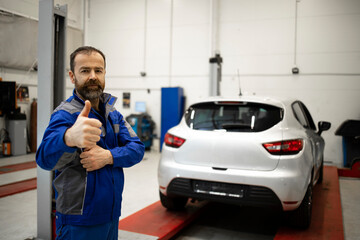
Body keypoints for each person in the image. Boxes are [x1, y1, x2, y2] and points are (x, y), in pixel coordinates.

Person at [36, 46, 145, 239]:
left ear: (104, 74)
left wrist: (109, 156)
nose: (93, 76)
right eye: (85, 71)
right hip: (79, 221)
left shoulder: (113, 114)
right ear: (72, 76)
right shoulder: (65, 114)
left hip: (111, 215)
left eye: (98, 70)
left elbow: (137, 148)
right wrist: (68, 137)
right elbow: (44, 159)